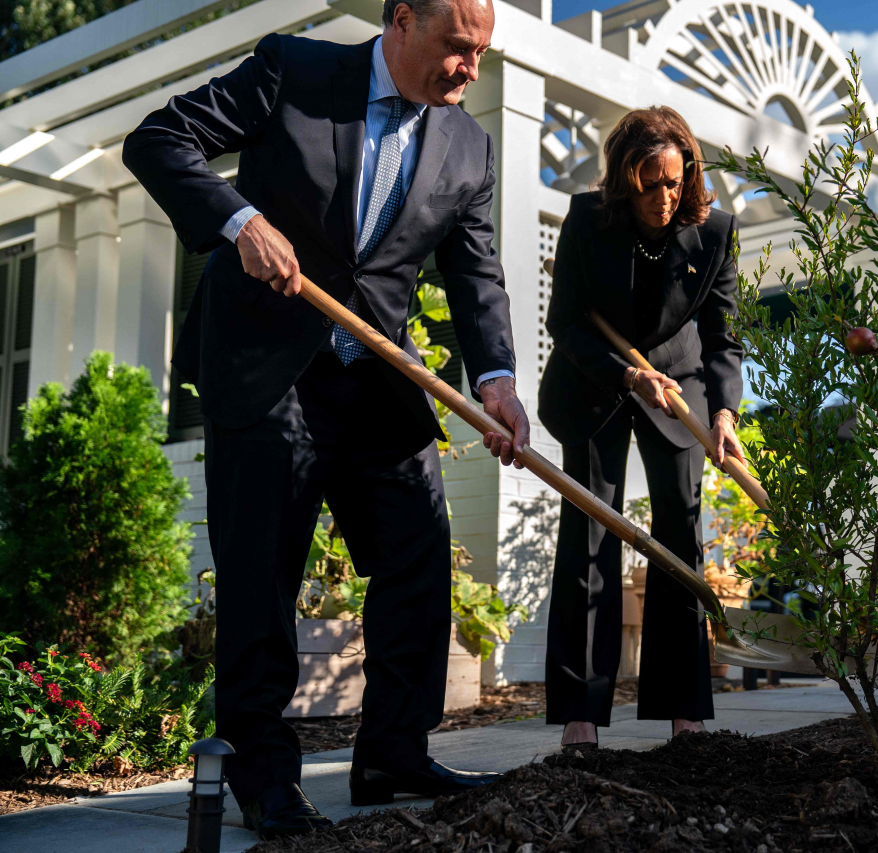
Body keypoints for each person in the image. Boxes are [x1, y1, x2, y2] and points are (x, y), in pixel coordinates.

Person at [122, 0, 530, 839]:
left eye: (480, 53)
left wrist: (496, 377)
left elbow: (475, 270)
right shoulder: (293, 72)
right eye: (457, 48)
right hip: (269, 369)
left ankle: (392, 751)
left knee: (417, 550)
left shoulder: (468, 145)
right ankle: (264, 774)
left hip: (374, 377)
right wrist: (240, 220)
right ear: (402, 21)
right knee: (260, 574)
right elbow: (158, 139)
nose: (469, 70)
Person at [537, 107, 745, 749]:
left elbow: (722, 335)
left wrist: (724, 411)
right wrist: (628, 377)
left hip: (679, 385)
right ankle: (581, 714)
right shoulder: (588, 220)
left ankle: (685, 713)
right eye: (648, 183)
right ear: (625, 177)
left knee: (681, 538)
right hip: (599, 381)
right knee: (590, 535)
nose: (663, 198)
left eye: (674, 183)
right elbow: (565, 323)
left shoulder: (714, 231)